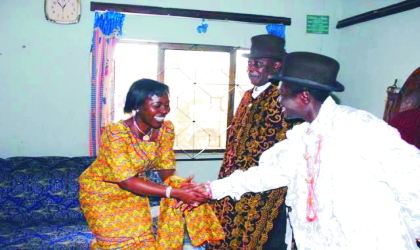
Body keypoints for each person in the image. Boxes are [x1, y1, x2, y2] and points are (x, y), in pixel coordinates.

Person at [203, 52, 420, 249]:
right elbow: (267, 174)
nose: (278, 101)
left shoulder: (358, 125)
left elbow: (411, 175)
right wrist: (211, 190)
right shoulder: (302, 137)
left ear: (304, 97)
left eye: (282, 94)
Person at [78, 79, 213, 249]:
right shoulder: (115, 134)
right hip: (102, 193)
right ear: (137, 105)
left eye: (167, 105)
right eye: (157, 105)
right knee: (115, 245)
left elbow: (166, 167)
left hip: (135, 191)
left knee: (142, 242)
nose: (164, 111)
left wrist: (183, 187)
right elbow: (125, 180)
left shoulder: (165, 129)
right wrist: (174, 192)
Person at [208, 34, 296, 250]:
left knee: (259, 240)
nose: (251, 68)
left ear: (276, 66)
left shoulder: (282, 98)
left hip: (264, 191)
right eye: (249, 63)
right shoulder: (248, 95)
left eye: (258, 63)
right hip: (233, 182)